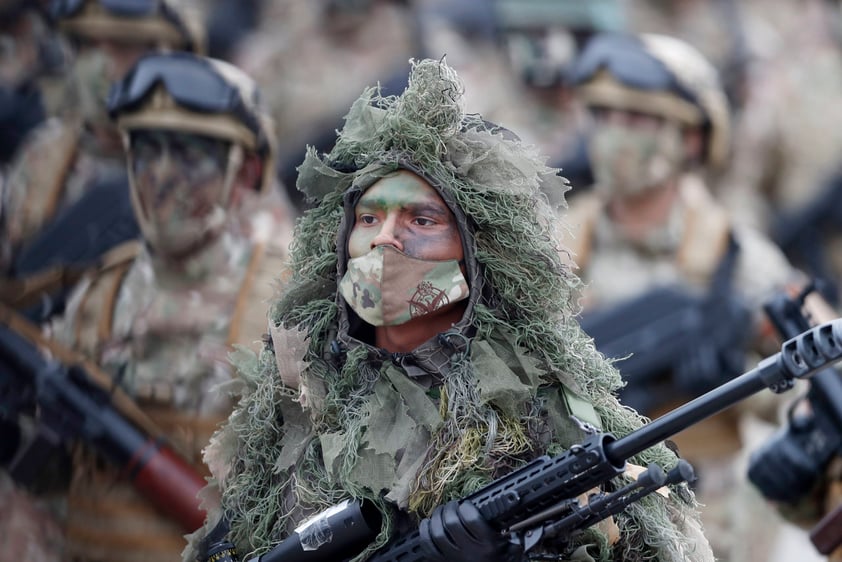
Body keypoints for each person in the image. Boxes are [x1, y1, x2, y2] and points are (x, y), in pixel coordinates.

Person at [183, 57, 714, 562]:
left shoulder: (536, 403)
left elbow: (652, 543)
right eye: (369, 219)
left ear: (477, 253)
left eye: (421, 221)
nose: (386, 241)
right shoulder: (303, 380)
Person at [2, 51, 295, 562]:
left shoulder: (282, 301)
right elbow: (42, 498)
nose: (161, 176)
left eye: (189, 153)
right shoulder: (100, 292)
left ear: (244, 170)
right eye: (147, 151)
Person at [559, 31, 817, 562]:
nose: (615, 136)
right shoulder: (555, 249)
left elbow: (816, 384)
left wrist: (742, 379)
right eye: (604, 117)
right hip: (594, 523)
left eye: (638, 120)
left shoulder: (735, 258)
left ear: (692, 140)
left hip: (719, 522)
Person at [0, 0, 202, 320]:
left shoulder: (207, 178)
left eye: (124, 46)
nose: (104, 65)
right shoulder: (47, 148)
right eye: (88, 44)